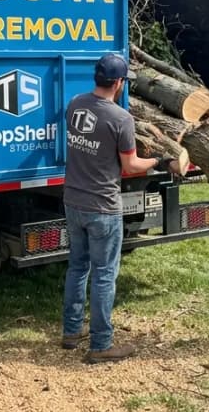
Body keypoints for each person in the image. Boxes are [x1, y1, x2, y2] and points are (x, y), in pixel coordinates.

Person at [62, 52, 177, 364]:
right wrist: (160, 162)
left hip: (73, 200)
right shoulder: (120, 118)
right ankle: (101, 345)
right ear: (119, 83)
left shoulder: (75, 104)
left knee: (77, 267)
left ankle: (71, 332)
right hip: (102, 206)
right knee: (104, 274)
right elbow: (130, 165)